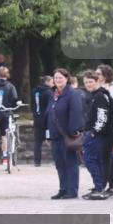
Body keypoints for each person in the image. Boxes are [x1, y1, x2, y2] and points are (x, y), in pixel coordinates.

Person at [47, 68, 84, 200]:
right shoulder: (53, 94)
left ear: (66, 79)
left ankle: (72, 190)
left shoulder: (72, 94)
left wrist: (74, 131)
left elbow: (76, 113)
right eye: (56, 78)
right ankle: (63, 189)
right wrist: (48, 134)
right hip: (55, 135)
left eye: (60, 78)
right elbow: (49, 115)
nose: (58, 80)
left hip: (68, 135)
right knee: (60, 164)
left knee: (70, 163)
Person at [81, 70, 113, 200]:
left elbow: (102, 117)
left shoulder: (99, 96)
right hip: (95, 133)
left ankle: (99, 188)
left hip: (95, 134)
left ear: (97, 81)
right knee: (94, 161)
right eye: (86, 82)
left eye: (91, 81)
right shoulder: (96, 95)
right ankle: (99, 187)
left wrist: (93, 132)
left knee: (90, 160)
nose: (88, 84)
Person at [97, 64, 113, 186]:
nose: (96, 76)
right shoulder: (100, 88)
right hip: (103, 127)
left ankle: (106, 184)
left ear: (105, 75)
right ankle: (111, 185)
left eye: (99, 74)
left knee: (106, 157)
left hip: (110, 126)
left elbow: (111, 106)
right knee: (107, 157)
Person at [0, 66, 19, 165]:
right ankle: (5, 157)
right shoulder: (11, 86)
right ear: (7, 75)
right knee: (5, 136)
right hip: (6, 112)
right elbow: (14, 98)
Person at [31, 75, 54, 167]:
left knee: (37, 141)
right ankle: (56, 159)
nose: (53, 83)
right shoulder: (49, 92)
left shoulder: (34, 91)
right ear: (47, 82)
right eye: (52, 81)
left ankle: (37, 161)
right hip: (47, 120)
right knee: (51, 139)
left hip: (37, 118)